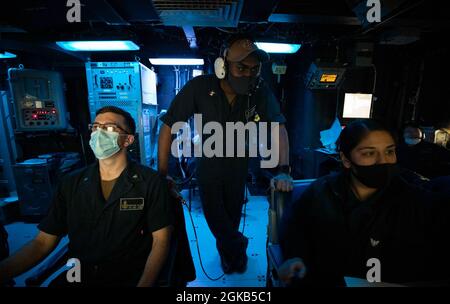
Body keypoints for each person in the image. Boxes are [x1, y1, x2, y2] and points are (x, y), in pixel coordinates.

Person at [158, 35, 293, 274]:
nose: (248, 74)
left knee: (230, 217)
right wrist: (162, 175)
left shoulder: (259, 91)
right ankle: (238, 247)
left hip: (239, 166)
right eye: (241, 67)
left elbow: (278, 126)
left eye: (254, 69)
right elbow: (169, 125)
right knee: (215, 217)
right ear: (223, 66)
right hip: (208, 164)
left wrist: (283, 170)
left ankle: (230, 257)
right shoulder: (200, 87)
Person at [0, 106, 173, 287]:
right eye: (96, 127)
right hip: (79, 275)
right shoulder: (71, 183)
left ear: (128, 140)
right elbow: (42, 242)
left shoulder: (150, 183)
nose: (99, 133)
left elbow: (161, 241)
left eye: (109, 128)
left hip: (127, 276)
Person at [279, 119, 450, 286]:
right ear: (346, 160)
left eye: (389, 152)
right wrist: (295, 255)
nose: (382, 161)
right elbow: (295, 227)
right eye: (369, 153)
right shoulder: (322, 192)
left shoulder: (412, 196)